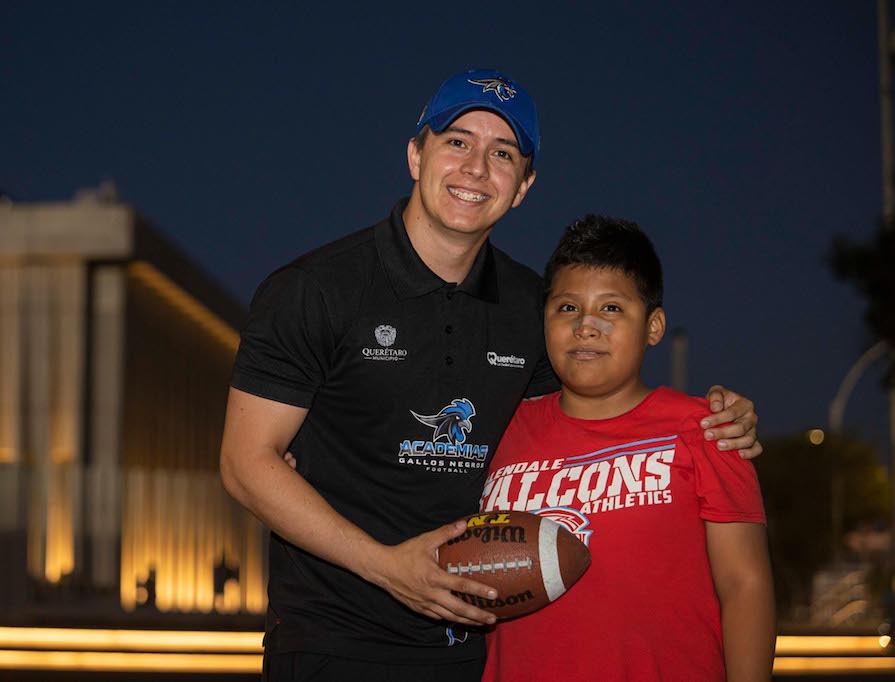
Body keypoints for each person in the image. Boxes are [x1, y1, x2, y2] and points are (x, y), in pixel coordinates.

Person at [220, 69, 762, 682]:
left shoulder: (534, 310)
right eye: (457, 141)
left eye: (502, 153)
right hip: (334, 642)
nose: (477, 168)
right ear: (415, 154)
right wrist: (385, 564)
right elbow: (245, 464)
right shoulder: (314, 290)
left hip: (475, 653)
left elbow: (584, 428)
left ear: (523, 186)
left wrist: (714, 418)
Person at [482, 215, 775, 682]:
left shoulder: (708, 428)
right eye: (566, 308)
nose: (586, 327)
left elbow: (745, 586)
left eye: (612, 308)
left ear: (654, 326)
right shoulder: (500, 428)